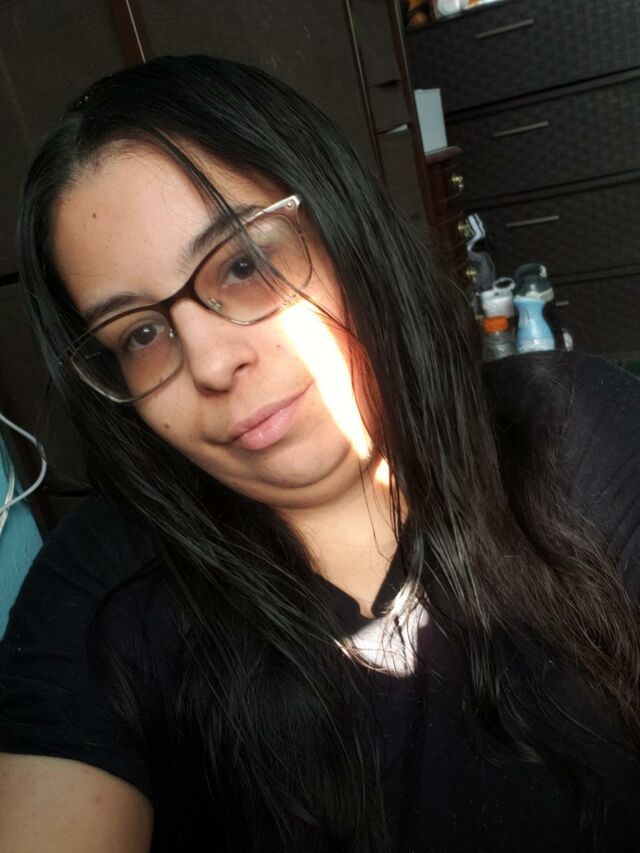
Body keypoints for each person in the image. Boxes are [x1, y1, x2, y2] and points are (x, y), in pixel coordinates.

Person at [0, 54, 639, 853]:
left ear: (343, 228)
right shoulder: (104, 585)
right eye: (141, 333)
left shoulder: (573, 435)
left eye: (243, 263)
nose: (209, 362)